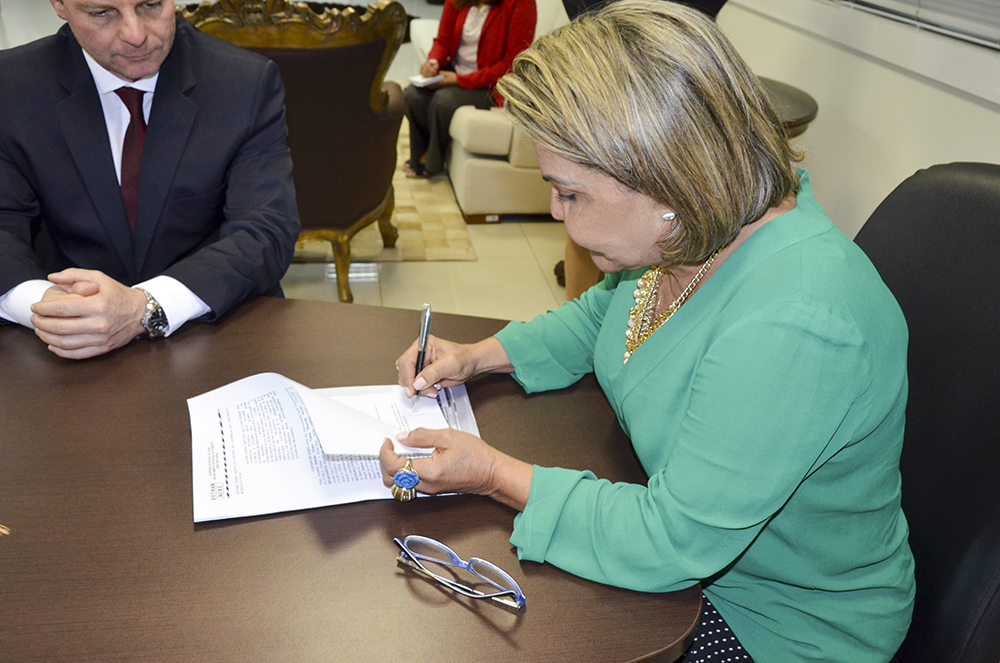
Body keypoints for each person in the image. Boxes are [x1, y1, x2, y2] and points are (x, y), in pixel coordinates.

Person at [380, 1, 915, 660]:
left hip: (777, 624)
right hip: (686, 564)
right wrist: (477, 357)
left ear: (665, 180)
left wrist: (491, 472)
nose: (555, 211)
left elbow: (670, 541)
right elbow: (603, 318)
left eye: (570, 192)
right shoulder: (691, 233)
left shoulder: (795, 322)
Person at [0, 0, 300, 360]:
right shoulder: (10, 87)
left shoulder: (244, 81)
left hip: (216, 334)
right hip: (59, 350)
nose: (136, 35)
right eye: (102, 14)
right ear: (60, 5)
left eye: (151, 5)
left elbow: (264, 229)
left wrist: (144, 307)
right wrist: (47, 307)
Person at [402, 0, 536, 178]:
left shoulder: (522, 3)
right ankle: (419, 155)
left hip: (491, 85)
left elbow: (511, 65)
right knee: (412, 94)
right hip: (455, 72)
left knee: (443, 101)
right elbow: (442, 40)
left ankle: (431, 163)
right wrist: (432, 62)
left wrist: (459, 80)